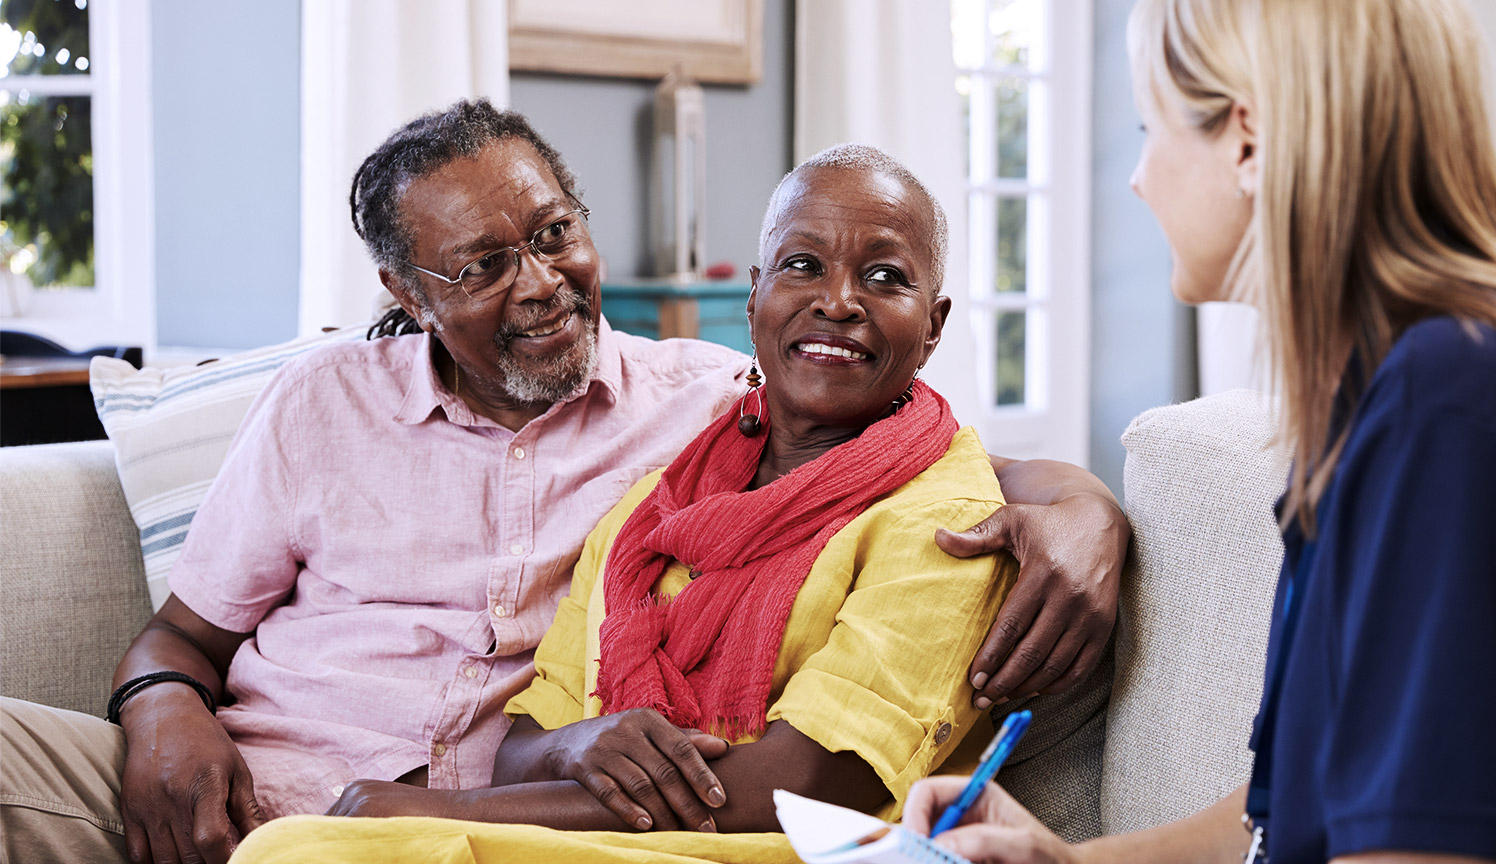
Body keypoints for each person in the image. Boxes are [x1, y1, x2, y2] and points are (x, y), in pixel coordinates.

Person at [0, 102, 1129, 864]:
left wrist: (1085, 504)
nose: (542, 284)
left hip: (471, 828)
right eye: (486, 267)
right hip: (243, 782)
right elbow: (180, 638)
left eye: (555, 235)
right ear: (406, 288)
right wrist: (161, 715)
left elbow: (907, 453)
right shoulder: (321, 404)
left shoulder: (704, 408)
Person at [225, 143, 1046, 863]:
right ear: (755, 296)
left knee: (314, 851)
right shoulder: (661, 501)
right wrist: (575, 743)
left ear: (933, 326)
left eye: (885, 277)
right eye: (802, 265)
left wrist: (446, 810)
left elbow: (791, 786)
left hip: (769, 850)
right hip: (596, 841)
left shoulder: (947, 517)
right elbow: (520, 748)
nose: (837, 301)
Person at [902, 0, 1496, 862]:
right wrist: (1058, 859)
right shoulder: (1376, 402)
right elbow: (1277, 816)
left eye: (1147, 125)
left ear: (1247, 140)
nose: (1138, 177)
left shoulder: (1446, 401)